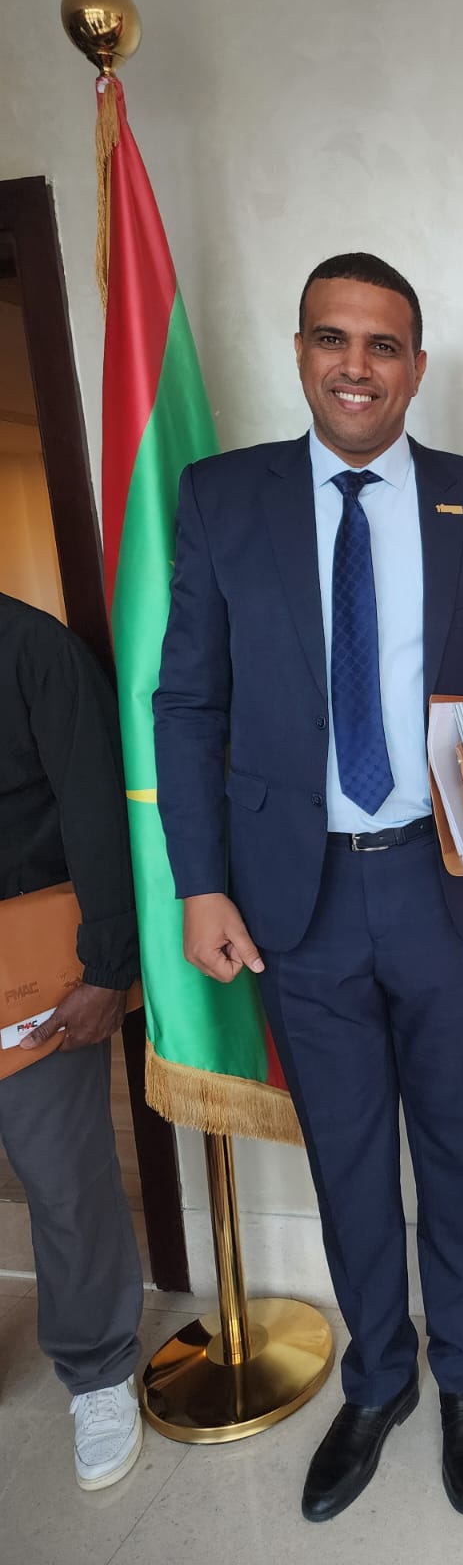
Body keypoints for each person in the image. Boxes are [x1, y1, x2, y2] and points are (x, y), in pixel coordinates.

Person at [153, 253, 463, 1524]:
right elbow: (190, 701)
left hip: (446, 883)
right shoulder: (223, 498)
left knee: (455, 1145)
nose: (357, 365)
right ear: (300, 352)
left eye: (383, 344)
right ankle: (380, 1380)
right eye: (333, 339)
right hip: (295, 903)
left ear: (416, 366)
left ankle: (461, 1377)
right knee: (346, 1156)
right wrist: (198, 885)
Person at [0, 592, 144, 1490]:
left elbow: (97, 810)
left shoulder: (32, 650)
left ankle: (97, 1372)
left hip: (30, 975)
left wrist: (105, 971)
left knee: (63, 1183)